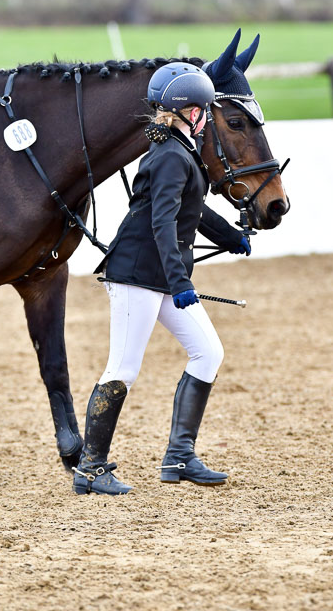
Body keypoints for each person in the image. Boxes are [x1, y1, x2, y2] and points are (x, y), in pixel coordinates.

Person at [72, 62, 251, 496]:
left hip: (163, 276)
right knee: (123, 368)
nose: (207, 117)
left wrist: (230, 236)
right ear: (192, 111)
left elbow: (193, 208)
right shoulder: (171, 154)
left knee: (208, 352)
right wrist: (181, 282)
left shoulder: (178, 149)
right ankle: (90, 468)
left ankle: (179, 456)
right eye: (205, 110)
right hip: (137, 274)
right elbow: (162, 222)